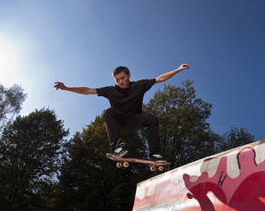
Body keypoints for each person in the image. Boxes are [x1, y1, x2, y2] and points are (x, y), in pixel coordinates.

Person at [54, 63, 190, 161]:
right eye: (117, 80)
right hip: (119, 122)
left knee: (152, 118)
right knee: (108, 112)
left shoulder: (139, 85)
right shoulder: (110, 90)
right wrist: (67, 88)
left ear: (129, 76)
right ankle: (118, 147)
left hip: (135, 120)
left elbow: (159, 78)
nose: (121, 82)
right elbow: (87, 90)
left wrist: (177, 69)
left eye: (123, 78)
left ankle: (154, 154)